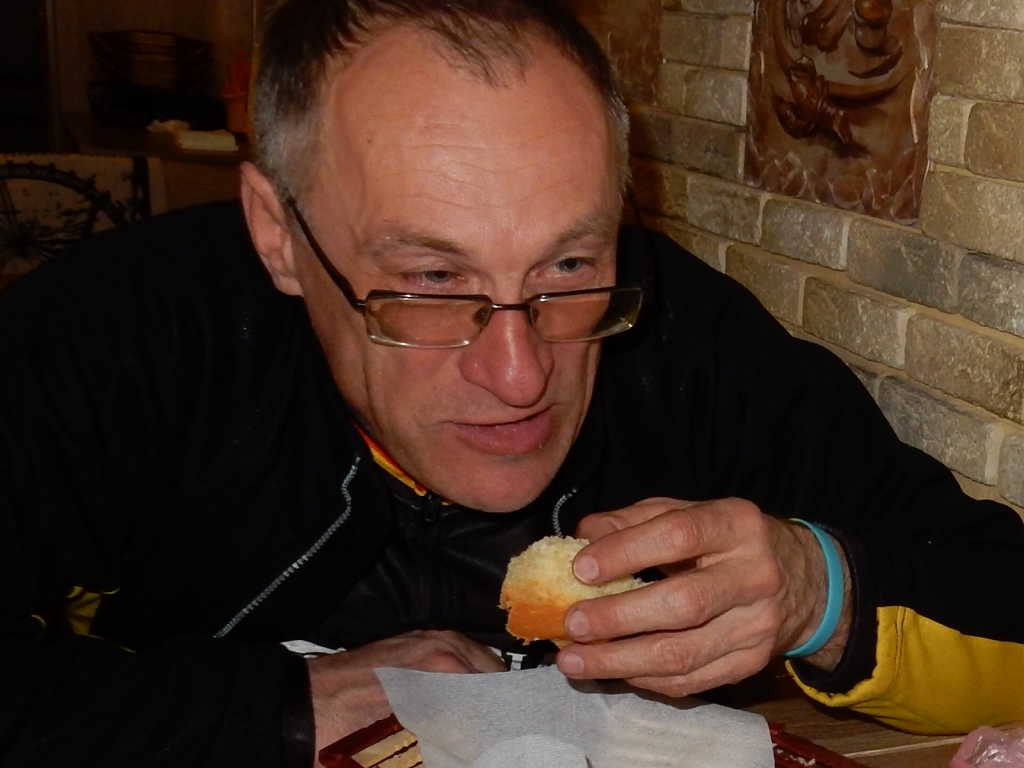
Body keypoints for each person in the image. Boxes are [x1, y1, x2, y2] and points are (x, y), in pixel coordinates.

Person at [1, 0, 1023, 766]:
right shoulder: (117, 336)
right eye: (430, 281)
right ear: (277, 232)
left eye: (568, 265)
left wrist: (817, 590)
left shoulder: (684, 339)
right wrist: (279, 706)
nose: (519, 375)